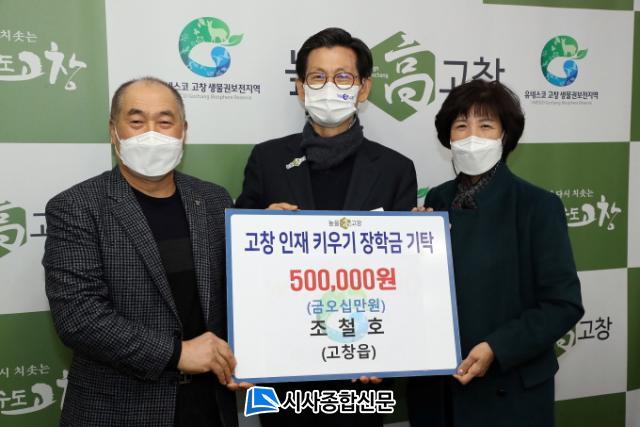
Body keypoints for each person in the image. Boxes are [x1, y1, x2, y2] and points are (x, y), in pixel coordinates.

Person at [235, 28, 417, 426]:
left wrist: (389, 351)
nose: (329, 87)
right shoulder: (267, 160)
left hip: (363, 364)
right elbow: (239, 261)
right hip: (282, 364)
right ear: (300, 88)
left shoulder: (395, 169)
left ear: (364, 88)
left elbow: (405, 279)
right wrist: (261, 229)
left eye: (343, 77)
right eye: (317, 77)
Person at [43, 77, 244, 427]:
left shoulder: (214, 200)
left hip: (210, 405)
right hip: (120, 409)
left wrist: (272, 237)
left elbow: (237, 292)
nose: (151, 133)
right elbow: (79, 317)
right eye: (136, 121)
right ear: (114, 131)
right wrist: (177, 353)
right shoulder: (76, 207)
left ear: (183, 131)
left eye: (165, 122)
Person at [408, 79, 584, 427]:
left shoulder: (537, 205)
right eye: (461, 125)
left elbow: (562, 305)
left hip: (508, 388)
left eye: (486, 125)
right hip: (438, 390)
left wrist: (497, 347)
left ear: (505, 135)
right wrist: (411, 248)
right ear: (448, 137)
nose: (472, 136)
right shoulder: (436, 200)